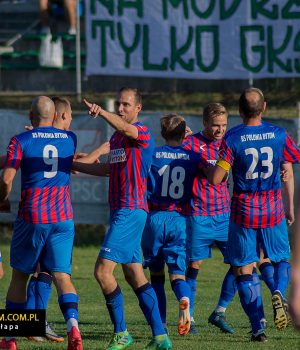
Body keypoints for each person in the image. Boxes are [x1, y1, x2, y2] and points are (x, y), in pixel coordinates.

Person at [73, 87, 172, 350]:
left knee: (102, 272)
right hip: (121, 211)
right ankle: (161, 336)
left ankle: (121, 333)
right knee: (135, 276)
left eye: (126, 105)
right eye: (119, 104)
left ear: (138, 108)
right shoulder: (117, 140)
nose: (121, 108)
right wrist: (73, 165)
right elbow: (108, 169)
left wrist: (101, 111)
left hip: (130, 210)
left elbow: (128, 130)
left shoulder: (142, 133)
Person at [208, 87, 300, 341]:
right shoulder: (279, 134)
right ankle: (279, 291)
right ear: (264, 107)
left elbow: (216, 179)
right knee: (280, 259)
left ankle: (258, 327)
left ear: (239, 110)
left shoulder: (233, 138)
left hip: (244, 211)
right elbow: (290, 161)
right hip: (273, 208)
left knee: (243, 268)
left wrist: (212, 169)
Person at [0, 96, 82, 350]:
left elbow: (6, 179)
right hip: (63, 217)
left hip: (33, 216)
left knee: (19, 278)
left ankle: (9, 339)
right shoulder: (70, 139)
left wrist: (1, 200)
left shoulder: (20, 140)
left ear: (29, 114)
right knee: (62, 276)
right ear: (57, 114)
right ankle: (73, 329)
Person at [141, 114, 208, 336]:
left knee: (156, 275)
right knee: (178, 275)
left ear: (161, 133)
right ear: (183, 133)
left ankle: (161, 324)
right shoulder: (193, 156)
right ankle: (185, 298)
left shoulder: (151, 154)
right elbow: (212, 173)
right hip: (179, 219)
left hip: (154, 218)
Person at [181, 103, 236, 334]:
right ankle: (188, 318)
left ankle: (219, 311)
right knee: (193, 265)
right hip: (198, 214)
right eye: (215, 125)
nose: (220, 130)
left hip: (225, 214)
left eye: (223, 125)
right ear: (205, 123)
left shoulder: (229, 143)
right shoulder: (190, 144)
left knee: (242, 263)